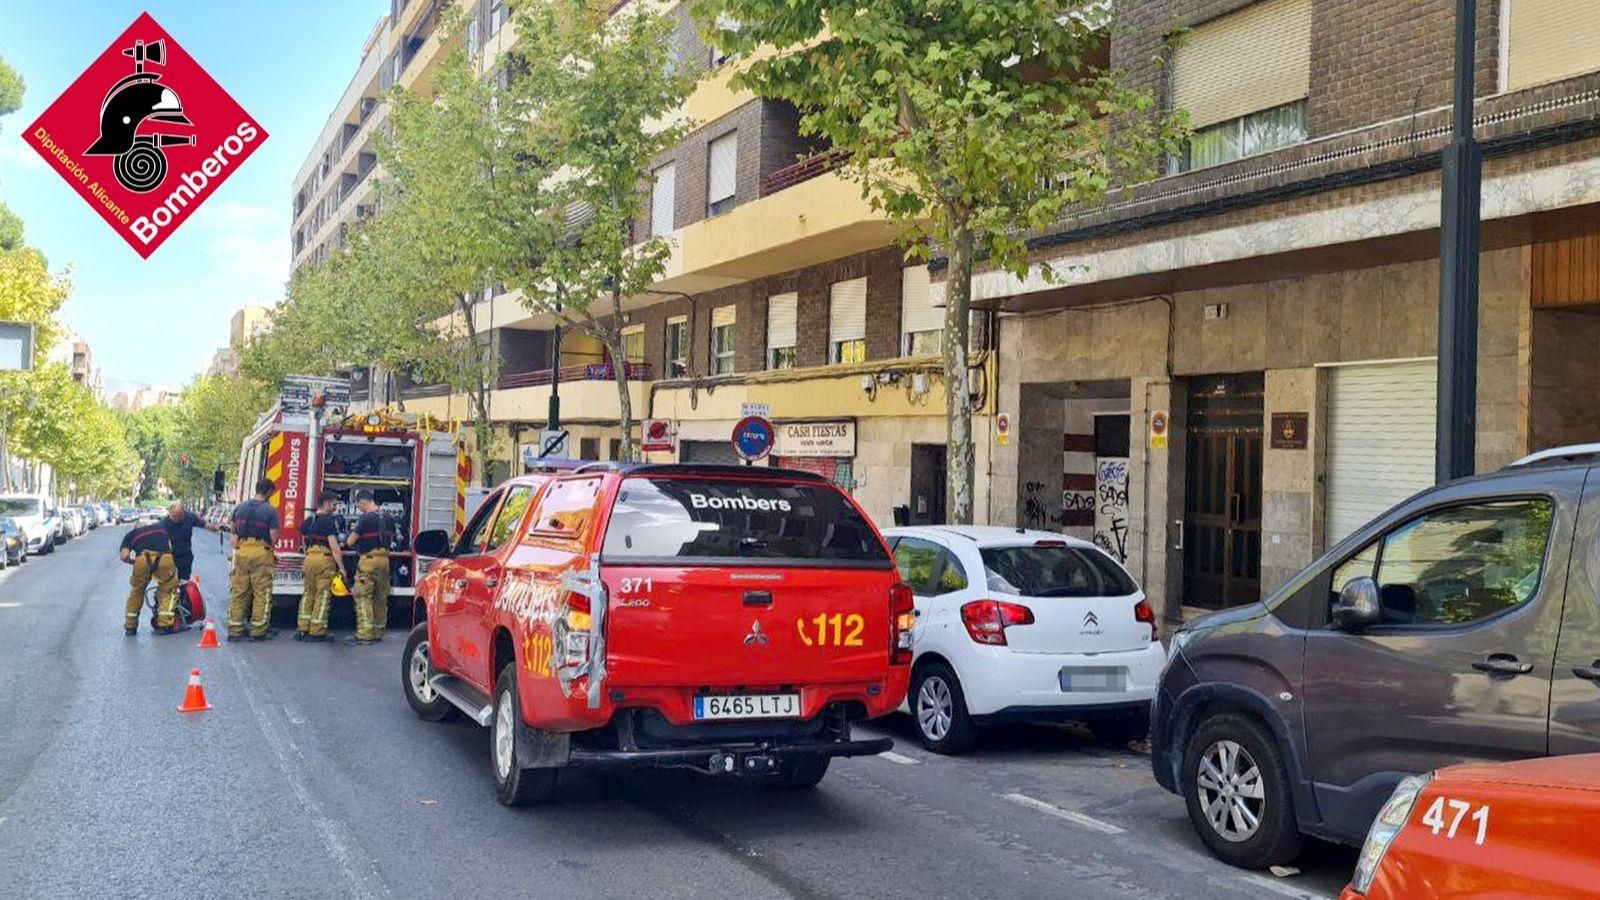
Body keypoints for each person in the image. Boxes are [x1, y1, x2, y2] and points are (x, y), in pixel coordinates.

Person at [229, 478, 281, 641]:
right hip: (261, 552)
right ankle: (258, 630)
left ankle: (235, 630)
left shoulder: (239, 508)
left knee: (239, 591)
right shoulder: (270, 511)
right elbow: (274, 538)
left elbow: (233, 539)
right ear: (268, 492)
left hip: (242, 551)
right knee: (261, 592)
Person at [344, 490, 391, 645]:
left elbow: (350, 541)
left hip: (368, 561)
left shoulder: (364, 519)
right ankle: (378, 631)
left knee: (363, 597)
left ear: (363, 502)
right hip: (385, 561)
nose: (360, 510)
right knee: (380, 597)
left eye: (359, 506)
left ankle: (365, 634)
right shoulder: (389, 518)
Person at [120, 519, 180, 636]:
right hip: (164, 558)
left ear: (135, 528)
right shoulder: (160, 529)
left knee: (137, 592)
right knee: (167, 590)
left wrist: (135, 562)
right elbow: (170, 548)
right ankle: (164, 624)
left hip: (142, 560)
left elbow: (124, 556)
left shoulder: (131, 534)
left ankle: (130, 626)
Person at [297, 491, 343, 642]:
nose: (335, 508)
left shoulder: (309, 520)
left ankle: (302, 629)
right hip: (324, 560)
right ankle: (317, 631)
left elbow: (303, 538)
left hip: (309, 559)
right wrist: (341, 567)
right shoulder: (328, 522)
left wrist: (307, 553)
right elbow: (334, 547)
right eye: (334, 505)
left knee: (308, 594)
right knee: (322, 595)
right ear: (326, 503)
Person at [162, 500, 220, 582]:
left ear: (184, 513)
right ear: (169, 513)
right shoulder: (164, 523)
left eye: (179, 516)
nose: (177, 519)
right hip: (169, 556)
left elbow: (204, 524)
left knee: (184, 581)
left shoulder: (190, 517)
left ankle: (183, 592)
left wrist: (215, 528)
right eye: (174, 517)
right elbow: (160, 539)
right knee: (168, 582)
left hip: (185, 555)